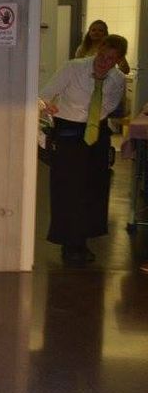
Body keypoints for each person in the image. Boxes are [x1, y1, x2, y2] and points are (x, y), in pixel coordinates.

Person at [39, 35, 129, 265]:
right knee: (68, 190)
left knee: (93, 189)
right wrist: (46, 106)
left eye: (110, 59)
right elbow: (44, 94)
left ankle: (82, 241)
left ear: (118, 60)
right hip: (68, 132)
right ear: (98, 50)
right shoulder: (73, 68)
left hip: (97, 133)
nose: (103, 62)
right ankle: (69, 243)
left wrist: (91, 121)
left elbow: (108, 107)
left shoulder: (118, 79)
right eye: (102, 55)